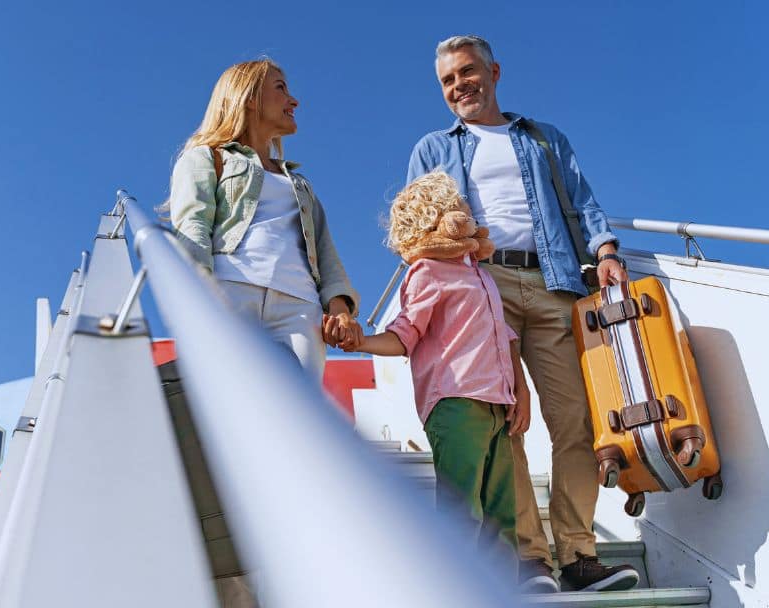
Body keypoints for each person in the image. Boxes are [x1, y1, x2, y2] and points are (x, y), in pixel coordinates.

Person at [406, 35, 638, 592]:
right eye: (447, 80)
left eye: (467, 72)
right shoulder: (434, 149)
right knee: (504, 425)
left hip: (553, 280)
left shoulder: (542, 138)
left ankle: (580, 555)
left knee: (576, 424)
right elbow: (415, 226)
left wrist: (605, 252)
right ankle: (531, 560)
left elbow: (583, 203)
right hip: (481, 289)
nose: (459, 85)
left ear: (494, 72)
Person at [348, 171, 558, 594]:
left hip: (497, 403)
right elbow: (405, 333)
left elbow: (506, 335)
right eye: (455, 208)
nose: (466, 213)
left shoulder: (479, 274)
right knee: (464, 510)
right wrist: (361, 342)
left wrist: (521, 389)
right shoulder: (426, 272)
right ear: (434, 221)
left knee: (501, 513)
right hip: (455, 402)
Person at [168, 59, 361, 378]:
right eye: (281, 88)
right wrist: (199, 295)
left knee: (299, 413)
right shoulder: (207, 158)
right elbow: (193, 226)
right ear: (249, 97)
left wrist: (340, 311)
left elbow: (326, 255)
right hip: (230, 291)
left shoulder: (300, 186)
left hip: (299, 307)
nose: (294, 100)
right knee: (229, 402)